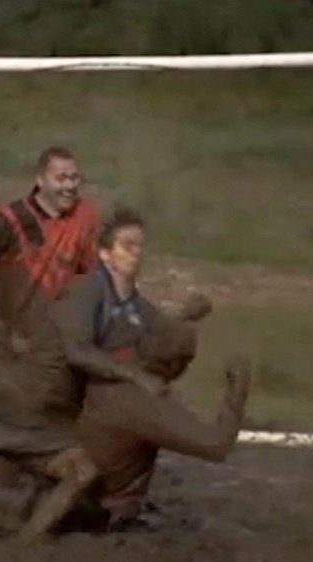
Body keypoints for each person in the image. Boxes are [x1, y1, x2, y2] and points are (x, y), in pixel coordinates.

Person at [53, 207, 252, 529]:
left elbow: (157, 333)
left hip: (105, 396)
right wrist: (237, 389)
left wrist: (187, 316)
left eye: (140, 245)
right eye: (127, 245)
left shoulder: (133, 303)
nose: (137, 253)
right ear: (105, 253)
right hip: (82, 393)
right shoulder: (88, 292)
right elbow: (76, 351)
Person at [0, 146, 101, 485]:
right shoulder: (12, 219)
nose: (69, 186)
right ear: (41, 180)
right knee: (13, 419)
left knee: (58, 416)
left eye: (74, 178)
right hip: (17, 339)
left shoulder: (86, 219)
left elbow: (94, 278)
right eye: (61, 178)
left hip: (60, 341)